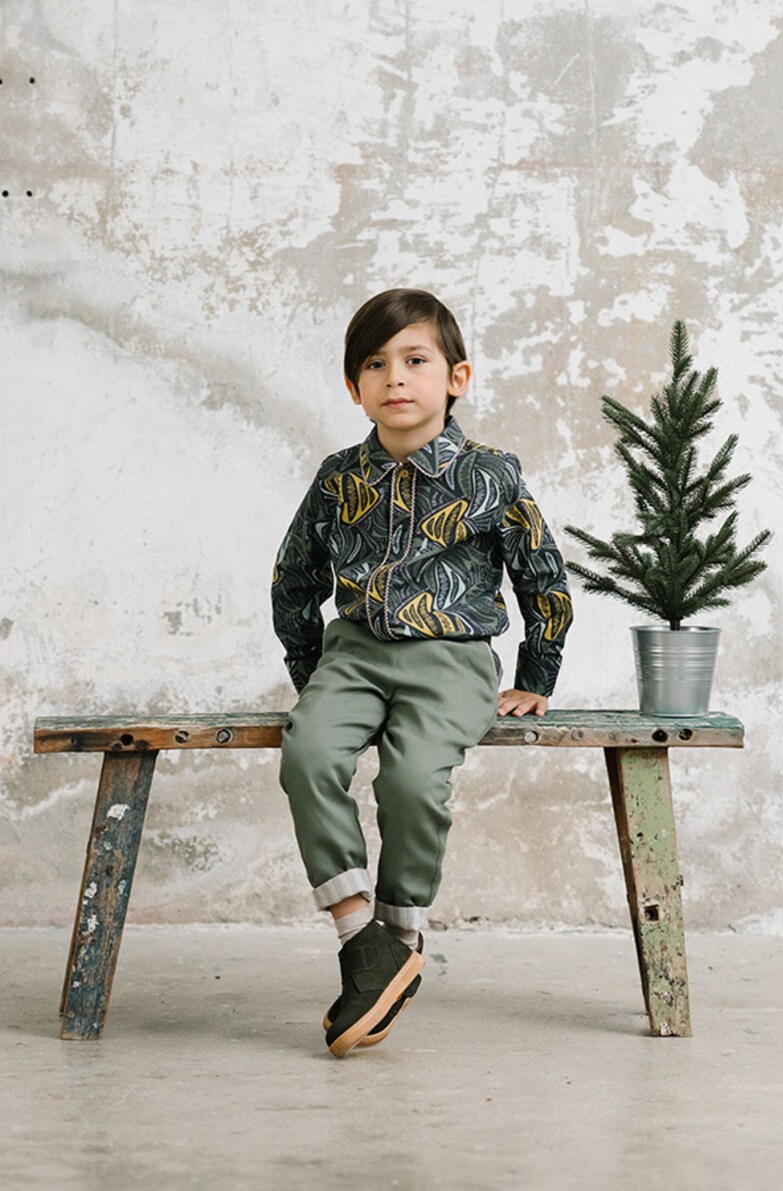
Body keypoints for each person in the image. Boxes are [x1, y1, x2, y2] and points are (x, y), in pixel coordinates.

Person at [272, 288, 573, 1057]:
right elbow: (294, 577)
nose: (396, 378)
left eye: (414, 360)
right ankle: (360, 939)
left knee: (410, 781)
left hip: (452, 659)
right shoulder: (339, 477)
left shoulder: (490, 475)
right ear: (354, 386)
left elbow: (542, 574)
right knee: (308, 754)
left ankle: (401, 934)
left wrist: (537, 672)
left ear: (456, 377)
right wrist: (313, 672)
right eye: (375, 365)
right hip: (354, 654)